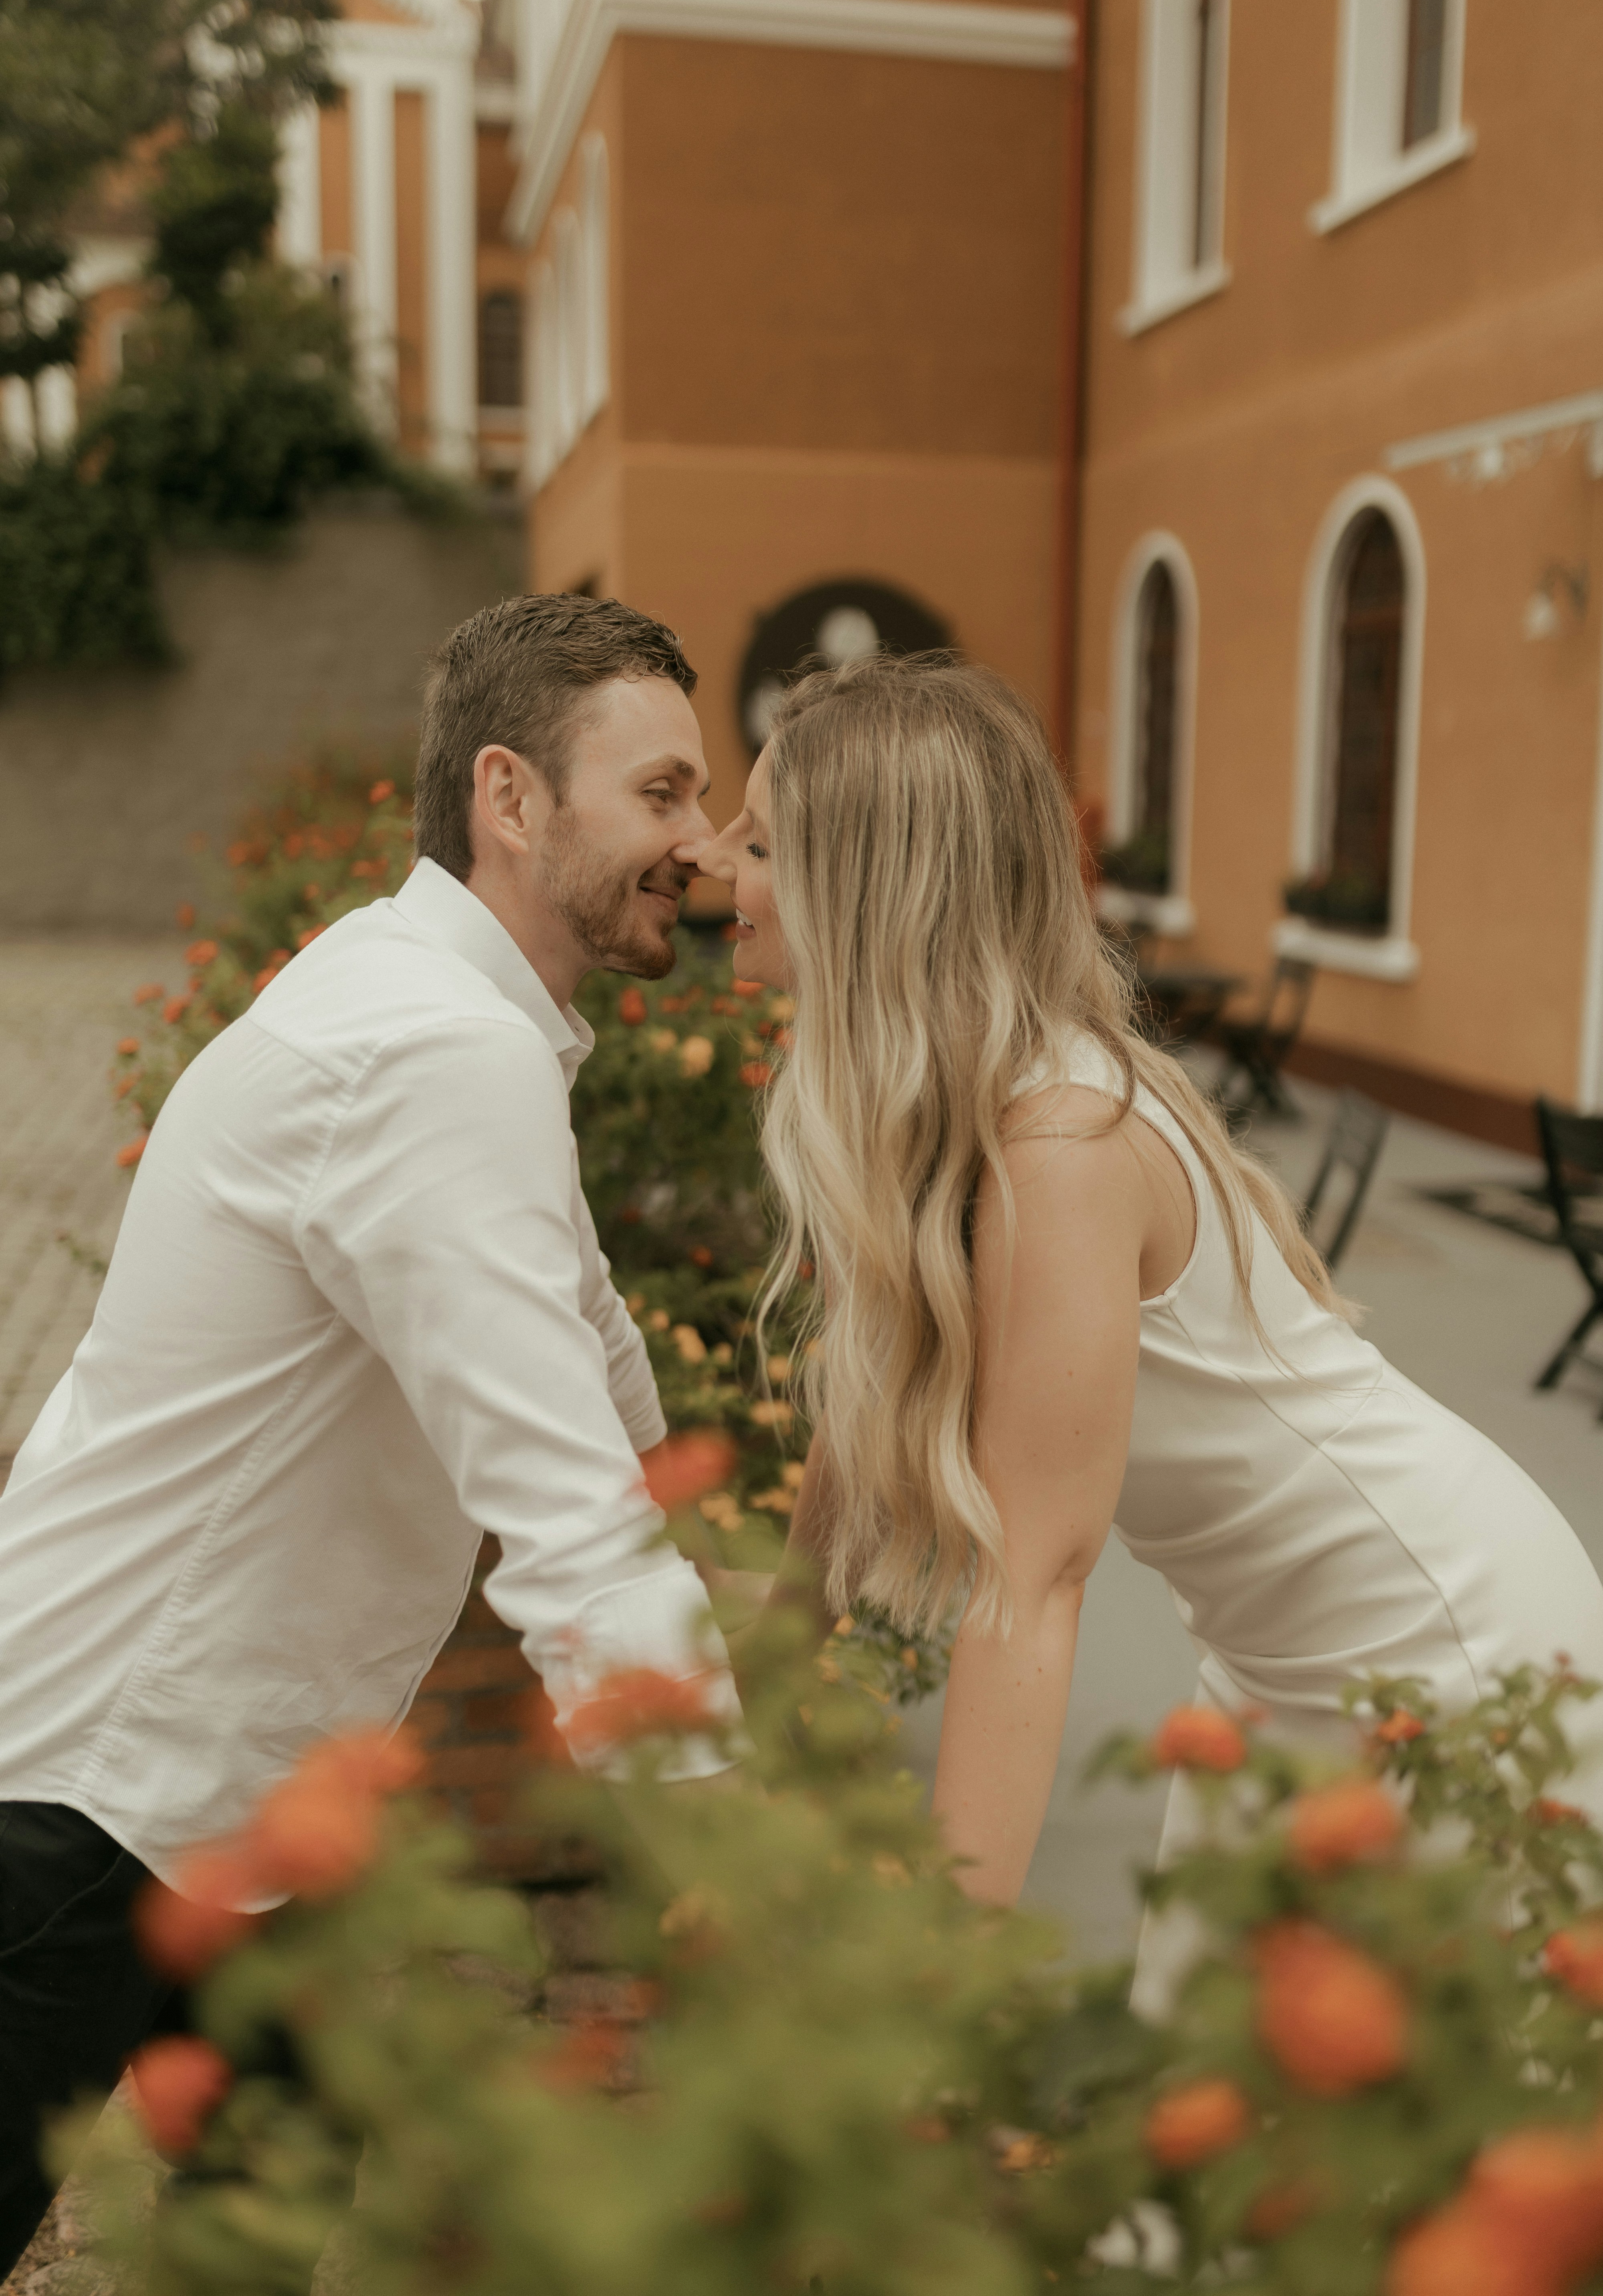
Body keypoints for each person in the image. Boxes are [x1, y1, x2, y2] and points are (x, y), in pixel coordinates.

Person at [0, 593, 740, 2279]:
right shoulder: (435, 1048)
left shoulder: (425, 997)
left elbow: (584, 1336)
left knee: (260, 2238)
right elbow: (558, 1501)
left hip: (248, 1795)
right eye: (665, 794)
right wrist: (723, 1829)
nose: (694, 846)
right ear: (511, 796)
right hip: (89, 1785)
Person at [696, 650, 1603, 1930]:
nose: (717, 869)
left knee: (1374, 2108)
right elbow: (864, 1405)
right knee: (1221, 2092)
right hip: (1278, 1658)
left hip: (1439, 1646)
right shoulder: (949, 1104)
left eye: (763, 845)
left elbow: (1039, 1576)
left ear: (863, 891)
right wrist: (782, 1643)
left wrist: (945, 1973)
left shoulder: (1058, 1143)